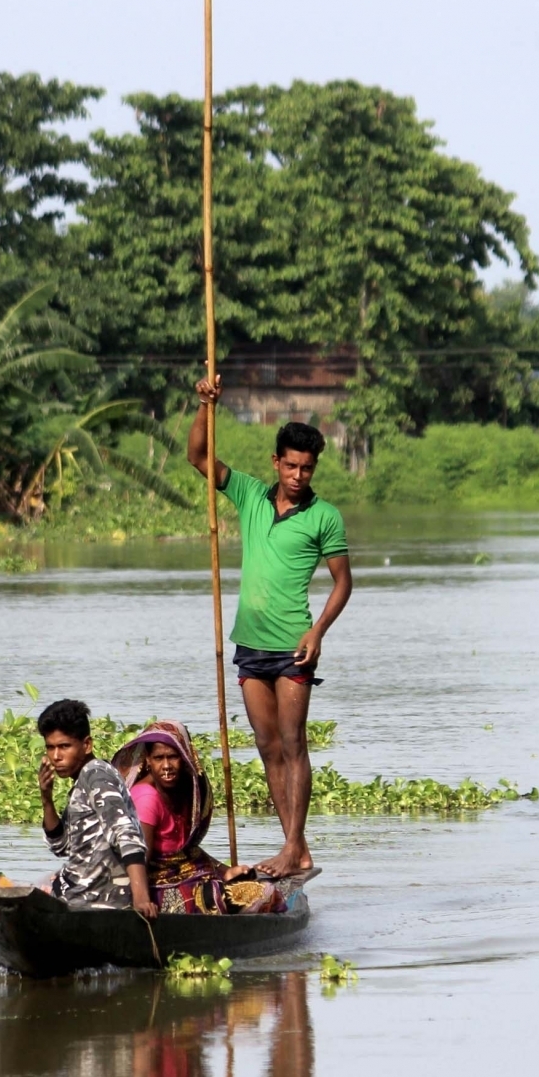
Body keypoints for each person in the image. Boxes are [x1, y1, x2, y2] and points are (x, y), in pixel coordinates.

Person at [189, 374, 353, 879]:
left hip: (293, 647)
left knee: (293, 742)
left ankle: (293, 847)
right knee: (266, 747)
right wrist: (206, 406)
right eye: (291, 466)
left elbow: (344, 583)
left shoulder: (324, 516)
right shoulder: (251, 496)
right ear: (276, 462)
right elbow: (198, 456)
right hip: (250, 645)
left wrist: (317, 631)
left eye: (307, 468)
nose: (299, 476)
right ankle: (295, 849)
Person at [0, 699, 157, 916]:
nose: (56, 756)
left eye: (64, 746)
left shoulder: (96, 774)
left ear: (87, 745)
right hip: (71, 889)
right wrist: (46, 799)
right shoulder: (82, 781)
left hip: (87, 900)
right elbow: (61, 847)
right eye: (50, 747)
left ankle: (19, 927)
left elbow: (127, 834)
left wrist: (141, 898)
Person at [110, 721, 279, 914]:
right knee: (264, 893)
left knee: (255, 887)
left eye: (173, 757)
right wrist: (141, 902)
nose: (166, 766)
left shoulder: (184, 791)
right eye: (159, 758)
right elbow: (139, 859)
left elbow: (187, 852)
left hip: (188, 876)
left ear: (185, 758)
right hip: (159, 889)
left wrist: (225, 871)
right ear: (148, 760)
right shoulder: (146, 798)